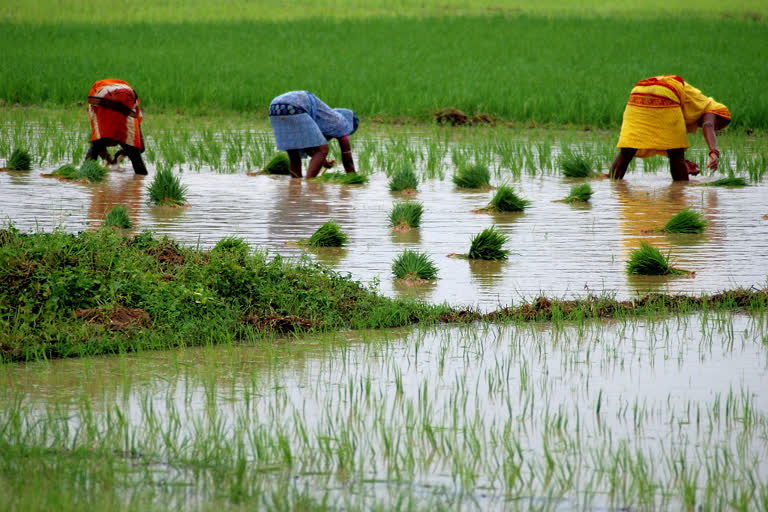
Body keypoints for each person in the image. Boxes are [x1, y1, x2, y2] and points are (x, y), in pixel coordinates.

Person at [610, 75, 730, 181]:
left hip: (639, 91)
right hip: (666, 92)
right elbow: (707, 125)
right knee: (676, 153)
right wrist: (713, 151)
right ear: (719, 115)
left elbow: (665, 137)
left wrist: (684, 162)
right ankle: (680, 191)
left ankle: (611, 183)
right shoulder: (711, 107)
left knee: (628, 151)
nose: (715, 127)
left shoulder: (694, 102)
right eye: (718, 124)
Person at [268, 91, 359, 178]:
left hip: (274, 108)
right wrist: (353, 178)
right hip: (294, 106)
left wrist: (323, 161)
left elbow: (310, 148)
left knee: (294, 152)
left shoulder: (326, 117)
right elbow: (348, 161)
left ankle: (295, 184)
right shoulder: (342, 124)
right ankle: (310, 184)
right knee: (324, 149)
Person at [85, 79, 147, 175]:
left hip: (100, 96)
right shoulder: (134, 117)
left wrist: (107, 158)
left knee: (97, 141)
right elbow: (140, 146)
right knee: (135, 151)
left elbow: (97, 134)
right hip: (120, 97)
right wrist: (126, 150)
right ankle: (139, 177)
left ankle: (85, 174)